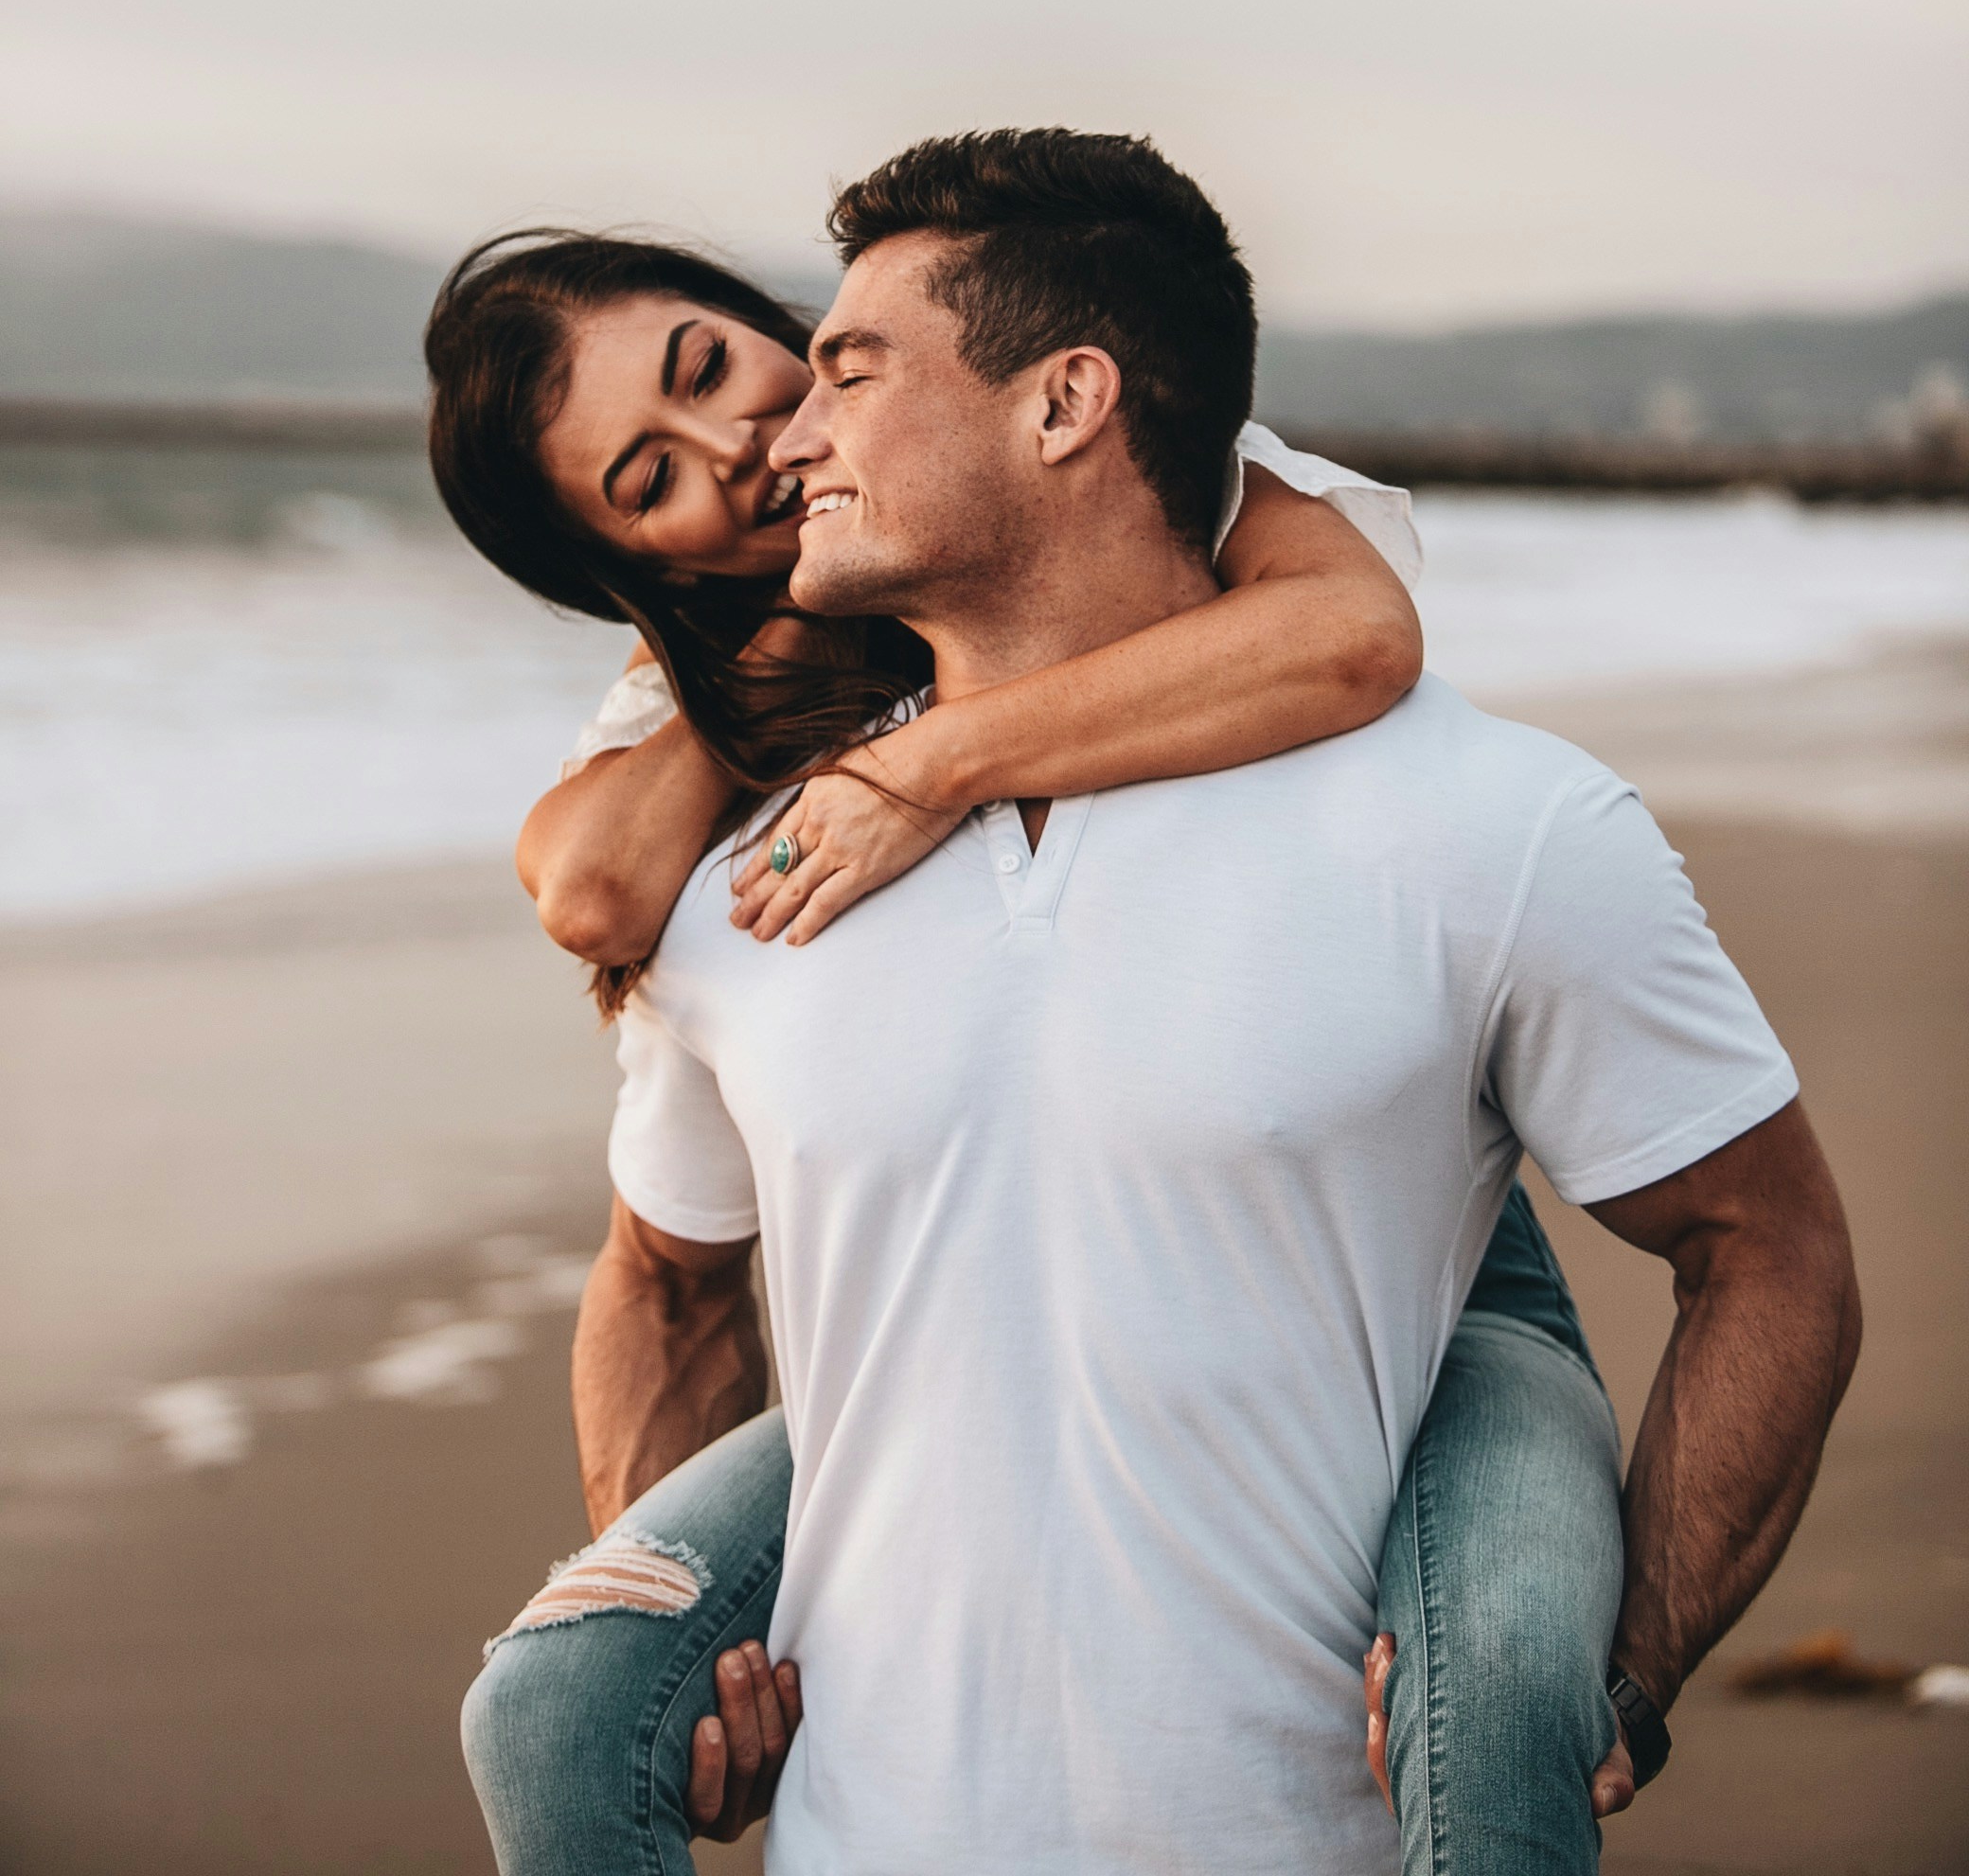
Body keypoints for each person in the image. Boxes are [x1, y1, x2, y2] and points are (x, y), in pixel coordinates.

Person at [435, 143, 1855, 1872]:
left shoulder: (1431, 759)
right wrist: (705, 1661)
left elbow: (1352, 640)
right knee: (548, 1709)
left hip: (1421, 1241)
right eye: (647, 480)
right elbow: (607, 986)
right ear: (625, 566)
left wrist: (939, 762)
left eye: (729, 368)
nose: (754, 442)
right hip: (946, 1370)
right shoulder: (737, 804)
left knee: (1501, 1684)